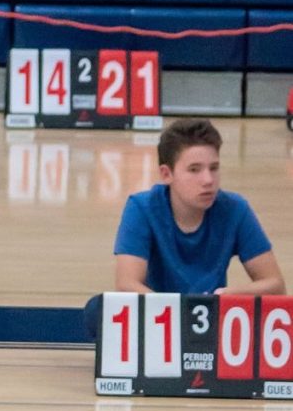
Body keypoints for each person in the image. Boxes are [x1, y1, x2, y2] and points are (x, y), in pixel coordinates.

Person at [112, 117, 285, 298]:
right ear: (166, 174)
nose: (208, 180)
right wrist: (174, 312)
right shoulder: (142, 208)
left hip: (212, 317)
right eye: (194, 170)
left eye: (214, 168)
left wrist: (227, 295)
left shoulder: (235, 209)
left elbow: (275, 285)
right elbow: (126, 286)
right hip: (160, 320)